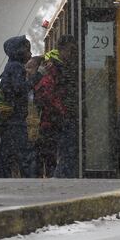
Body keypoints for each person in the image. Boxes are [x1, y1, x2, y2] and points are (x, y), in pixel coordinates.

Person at [0, 35, 42, 178]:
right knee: (25, 155)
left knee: (6, 155)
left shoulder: (9, 66)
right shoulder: (16, 67)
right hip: (16, 119)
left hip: (10, 119)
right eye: (28, 50)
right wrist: (36, 77)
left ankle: (1, 178)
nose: (31, 53)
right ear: (20, 51)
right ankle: (30, 179)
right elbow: (19, 89)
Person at [33, 53, 64, 177]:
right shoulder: (51, 79)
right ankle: (50, 175)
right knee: (50, 154)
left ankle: (44, 175)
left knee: (45, 154)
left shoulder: (47, 79)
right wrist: (62, 111)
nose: (47, 65)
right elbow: (50, 100)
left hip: (47, 122)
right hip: (51, 122)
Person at [53, 35, 79, 178]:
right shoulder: (56, 67)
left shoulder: (67, 66)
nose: (72, 54)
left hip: (69, 113)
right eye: (70, 50)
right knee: (67, 151)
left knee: (70, 151)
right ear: (61, 50)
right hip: (64, 115)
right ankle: (62, 177)